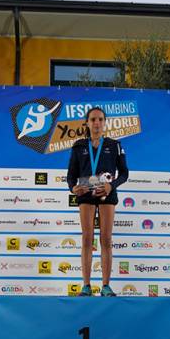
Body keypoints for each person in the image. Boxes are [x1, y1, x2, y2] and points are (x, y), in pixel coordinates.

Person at [66, 107, 129, 297]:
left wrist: (112, 185)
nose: (97, 123)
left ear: (105, 122)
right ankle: (86, 286)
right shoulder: (79, 146)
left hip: (106, 194)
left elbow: (124, 173)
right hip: (85, 194)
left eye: (101, 119)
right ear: (87, 123)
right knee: (87, 238)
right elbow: (71, 176)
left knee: (106, 239)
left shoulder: (114, 145)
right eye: (93, 119)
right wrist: (73, 188)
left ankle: (106, 286)